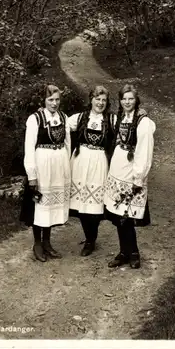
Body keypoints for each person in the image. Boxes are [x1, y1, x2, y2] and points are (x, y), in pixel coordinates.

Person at [104, 84, 156, 269]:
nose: (127, 102)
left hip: (132, 171)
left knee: (128, 213)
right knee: (119, 214)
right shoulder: (121, 117)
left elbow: (144, 151)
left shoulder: (143, 122)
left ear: (136, 100)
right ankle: (123, 251)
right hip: (118, 168)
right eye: (124, 99)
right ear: (120, 101)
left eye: (130, 99)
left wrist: (138, 177)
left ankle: (133, 252)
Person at [21, 84, 71, 262]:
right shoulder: (35, 119)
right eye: (51, 100)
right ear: (44, 100)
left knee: (51, 206)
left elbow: (67, 144)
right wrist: (32, 175)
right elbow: (29, 148)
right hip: (42, 166)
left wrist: (67, 168)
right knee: (40, 204)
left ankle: (48, 242)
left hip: (58, 166)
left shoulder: (64, 118)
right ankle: (37, 243)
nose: (54, 103)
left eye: (57, 99)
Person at [68, 86, 115, 256]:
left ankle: (91, 239)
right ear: (91, 99)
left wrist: (141, 115)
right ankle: (88, 237)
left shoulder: (111, 120)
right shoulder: (80, 118)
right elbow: (58, 124)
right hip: (80, 162)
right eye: (97, 99)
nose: (100, 103)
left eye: (103, 100)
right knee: (81, 204)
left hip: (98, 162)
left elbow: (128, 125)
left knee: (94, 205)